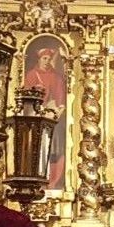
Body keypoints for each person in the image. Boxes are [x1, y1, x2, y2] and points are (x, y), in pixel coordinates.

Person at [23, 45, 68, 188]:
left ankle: (51, 180)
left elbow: (60, 98)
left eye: (49, 58)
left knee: (51, 151)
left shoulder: (56, 77)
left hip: (51, 120)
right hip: (34, 120)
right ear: (39, 59)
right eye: (44, 58)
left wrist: (56, 109)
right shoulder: (31, 75)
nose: (47, 61)